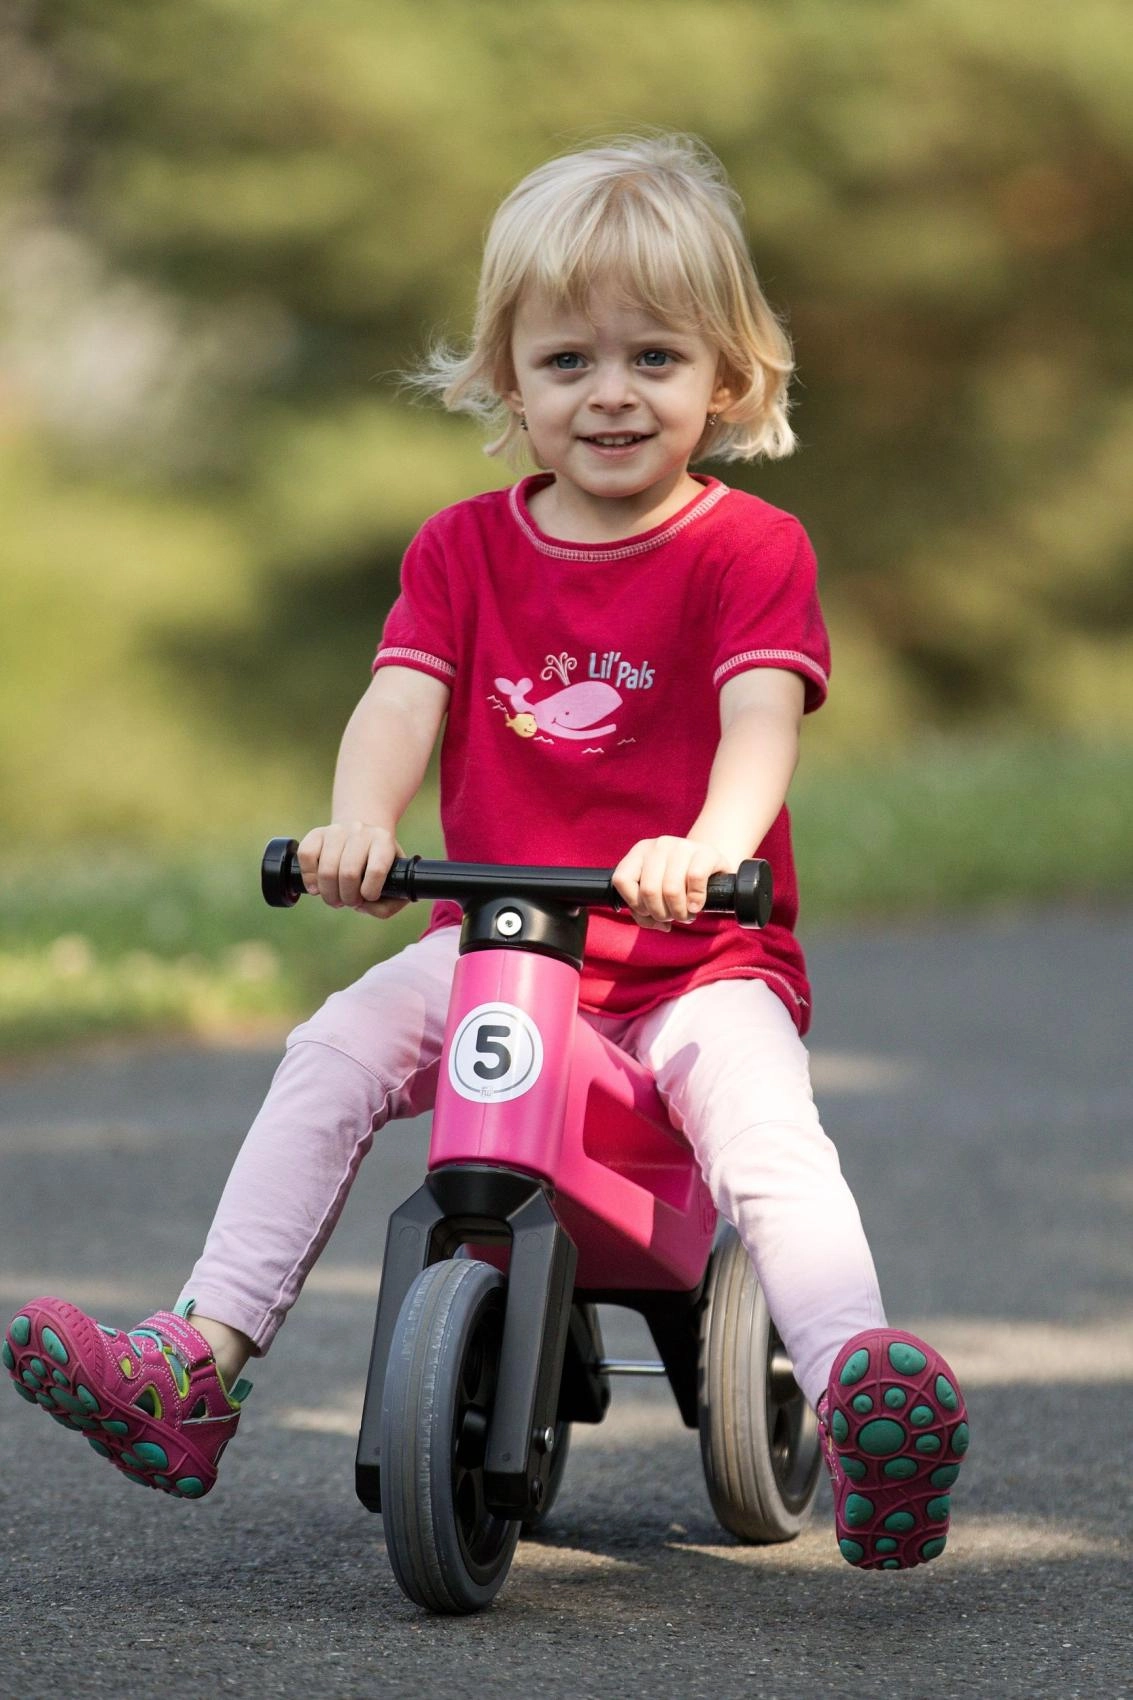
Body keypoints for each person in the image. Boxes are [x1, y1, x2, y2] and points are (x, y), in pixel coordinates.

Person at [5, 132, 967, 1568]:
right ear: (507, 379)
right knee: (332, 1049)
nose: (611, 392)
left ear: (726, 376)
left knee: (764, 1130)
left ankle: (859, 1394)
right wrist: (362, 826)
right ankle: (197, 1361)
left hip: (695, 960)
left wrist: (703, 850)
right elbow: (401, 702)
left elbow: (760, 720)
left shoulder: (747, 550)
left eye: (654, 356)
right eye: (568, 359)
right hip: (499, 946)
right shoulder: (462, 550)